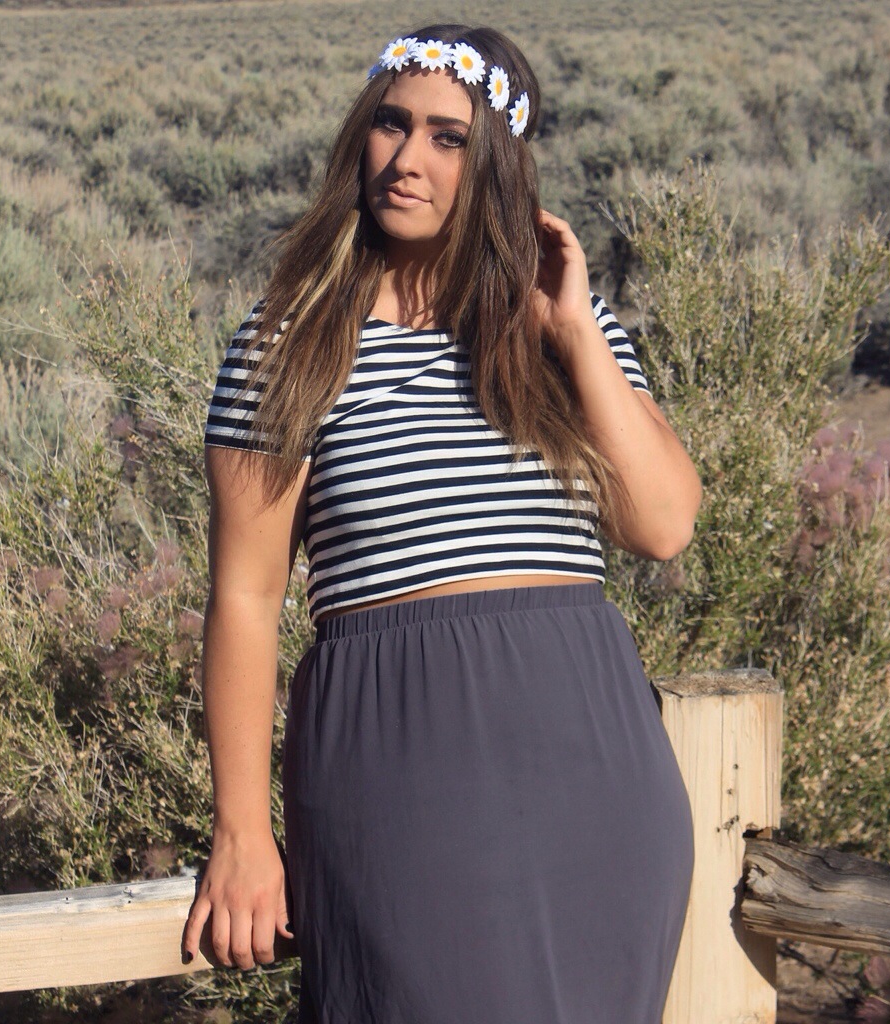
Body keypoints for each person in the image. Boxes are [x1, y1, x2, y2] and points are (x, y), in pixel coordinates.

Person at [183, 22, 701, 1024]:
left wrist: (572, 329)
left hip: (596, 762)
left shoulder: (565, 330)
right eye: (391, 124)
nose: (406, 159)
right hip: (399, 755)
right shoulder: (289, 341)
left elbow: (663, 523)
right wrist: (242, 833)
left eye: (448, 137)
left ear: (498, 165)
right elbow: (244, 595)